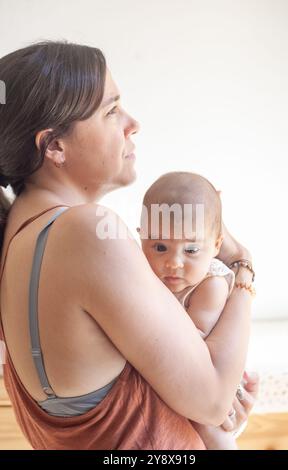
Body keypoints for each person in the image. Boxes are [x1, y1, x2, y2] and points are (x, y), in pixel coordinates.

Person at [0, 40, 258, 450]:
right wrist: (243, 267)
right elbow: (212, 399)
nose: (132, 123)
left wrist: (212, 413)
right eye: (111, 111)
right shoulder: (84, 232)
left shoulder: (17, 238)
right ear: (54, 146)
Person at [137, 171, 255, 449]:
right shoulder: (142, 272)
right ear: (141, 238)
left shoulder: (210, 283)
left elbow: (190, 341)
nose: (173, 262)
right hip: (176, 379)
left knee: (214, 437)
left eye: (190, 250)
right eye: (160, 246)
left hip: (208, 378)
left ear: (215, 245)